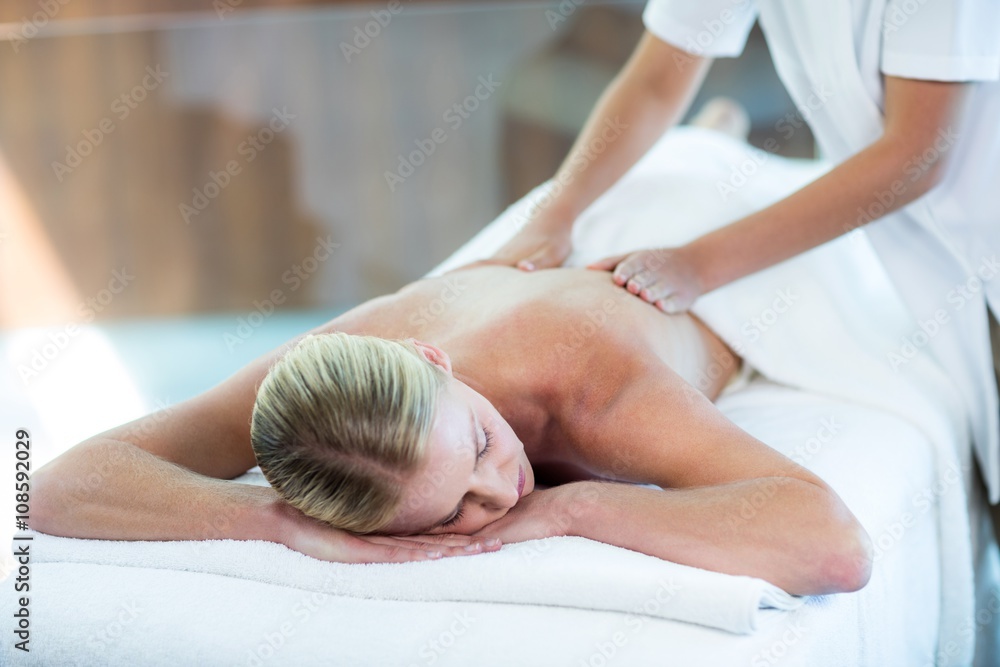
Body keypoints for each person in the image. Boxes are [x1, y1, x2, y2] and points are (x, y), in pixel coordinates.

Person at [30, 113, 872, 594]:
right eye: (452, 513)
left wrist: (578, 510)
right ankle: (701, 133)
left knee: (723, 162)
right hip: (546, 275)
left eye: (479, 443)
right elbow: (58, 486)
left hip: (683, 246)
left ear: (432, 362)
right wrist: (269, 520)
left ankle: (709, 134)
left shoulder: (599, 393)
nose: (502, 488)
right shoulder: (338, 376)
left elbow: (835, 545)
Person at [488, 0, 1000, 509]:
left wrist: (696, 265)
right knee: (693, 170)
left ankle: (715, 138)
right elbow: (655, 82)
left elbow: (919, 155)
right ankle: (714, 137)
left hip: (967, 231)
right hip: (858, 223)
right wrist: (554, 216)